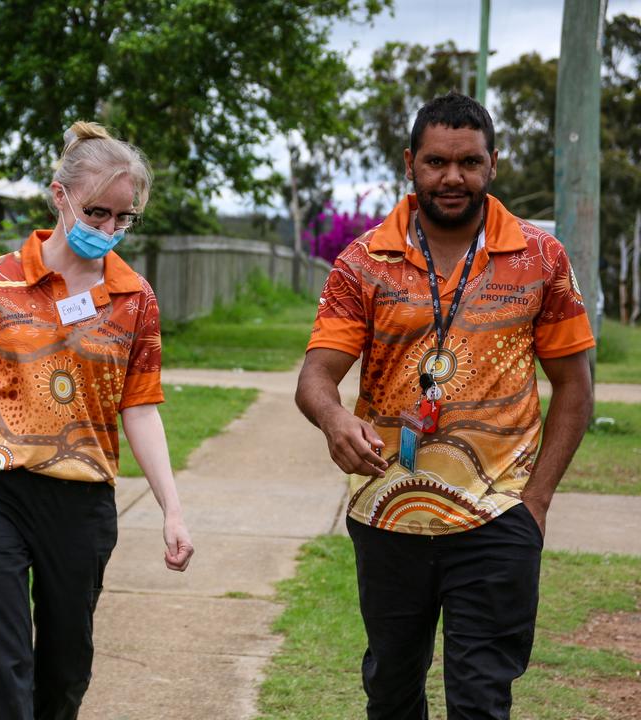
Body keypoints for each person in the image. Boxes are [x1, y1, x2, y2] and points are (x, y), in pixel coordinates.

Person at [296, 92, 595, 719]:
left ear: (493, 163)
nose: (452, 177)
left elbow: (575, 386)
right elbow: (315, 377)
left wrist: (535, 502)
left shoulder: (541, 260)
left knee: (482, 698)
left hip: (498, 516)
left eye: (469, 162)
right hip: (387, 514)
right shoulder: (362, 262)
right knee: (392, 691)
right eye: (436, 162)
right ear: (410, 163)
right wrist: (334, 418)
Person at [0, 121, 194, 719]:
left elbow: (140, 406)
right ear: (60, 196)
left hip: (80, 502)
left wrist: (172, 509)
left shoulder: (135, 298)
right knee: (2, 668)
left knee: (64, 673)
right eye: (96, 213)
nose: (108, 229)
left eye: (122, 218)